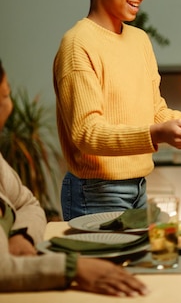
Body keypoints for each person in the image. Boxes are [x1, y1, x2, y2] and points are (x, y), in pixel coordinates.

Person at [53, 0, 181, 220]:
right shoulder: (78, 44)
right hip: (96, 192)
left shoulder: (139, 40)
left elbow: (156, 110)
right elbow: (87, 134)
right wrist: (156, 134)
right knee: (108, 267)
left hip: (138, 187)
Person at [0, 60, 148, 295]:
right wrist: (74, 267)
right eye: (5, 95)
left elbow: (27, 203)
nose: (10, 106)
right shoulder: (76, 50)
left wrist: (23, 235)